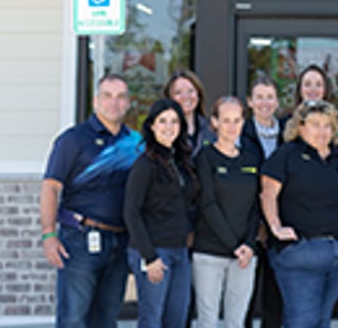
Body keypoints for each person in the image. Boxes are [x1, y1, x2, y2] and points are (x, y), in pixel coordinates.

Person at [40, 74, 141, 328]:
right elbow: (51, 187)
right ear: (96, 100)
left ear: (128, 103)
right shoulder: (73, 139)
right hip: (79, 240)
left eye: (120, 97)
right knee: (74, 319)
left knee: (107, 320)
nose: (114, 103)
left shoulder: (136, 143)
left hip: (120, 242)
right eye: (107, 96)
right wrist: (48, 235)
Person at [261, 100, 338, 328]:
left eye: (327, 125)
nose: (322, 131)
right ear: (300, 127)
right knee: (302, 320)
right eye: (315, 124)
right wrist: (275, 227)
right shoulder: (287, 155)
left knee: (323, 319)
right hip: (302, 252)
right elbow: (268, 193)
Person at [124, 98, 200, 328]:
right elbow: (131, 213)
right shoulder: (145, 165)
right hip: (154, 252)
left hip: (179, 251)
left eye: (174, 121)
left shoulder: (181, 162)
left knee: (177, 318)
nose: (169, 127)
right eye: (163, 121)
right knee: (152, 319)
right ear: (152, 126)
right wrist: (150, 257)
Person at [193, 96, 261, 328]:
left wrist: (250, 245)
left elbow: (255, 206)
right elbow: (208, 204)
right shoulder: (205, 157)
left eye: (237, 120)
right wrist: (234, 245)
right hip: (210, 254)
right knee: (208, 321)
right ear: (214, 123)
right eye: (226, 120)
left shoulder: (251, 159)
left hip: (245, 257)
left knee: (236, 322)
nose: (232, 127)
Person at [241, 79, 284, 328]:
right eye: (259, 97)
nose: (264, 103)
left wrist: (275, 222)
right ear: (250, 102)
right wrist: (258, 223)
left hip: (280, 224)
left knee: (274, 296)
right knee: (245, 295)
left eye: (270, 97)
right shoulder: (242, 135)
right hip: (249, 226)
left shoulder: (288, 135)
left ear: (277, 102)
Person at [293, 64, 338, 138]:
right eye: (307, 84)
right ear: (299, 89)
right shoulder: (286, 124)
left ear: (325, 90)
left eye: (318, 84)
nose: (313, 89)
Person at [165, 69, 214, 156]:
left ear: (198, 95)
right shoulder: (164, 131)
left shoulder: (211, 130)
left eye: (190, 91)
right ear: (169, 98)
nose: (186, 97)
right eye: (178, 92)